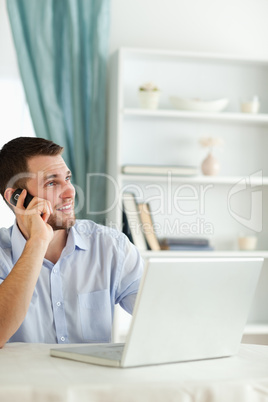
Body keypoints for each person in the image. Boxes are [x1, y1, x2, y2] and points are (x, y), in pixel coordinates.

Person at [0, 137, 144, 347]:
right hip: (24, 380)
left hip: (93, 379)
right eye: (51, 183)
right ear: (16, 198)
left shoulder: (111, 247)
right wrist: (38, 241)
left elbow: (158, 314)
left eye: (67, 178)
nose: (70, 193)